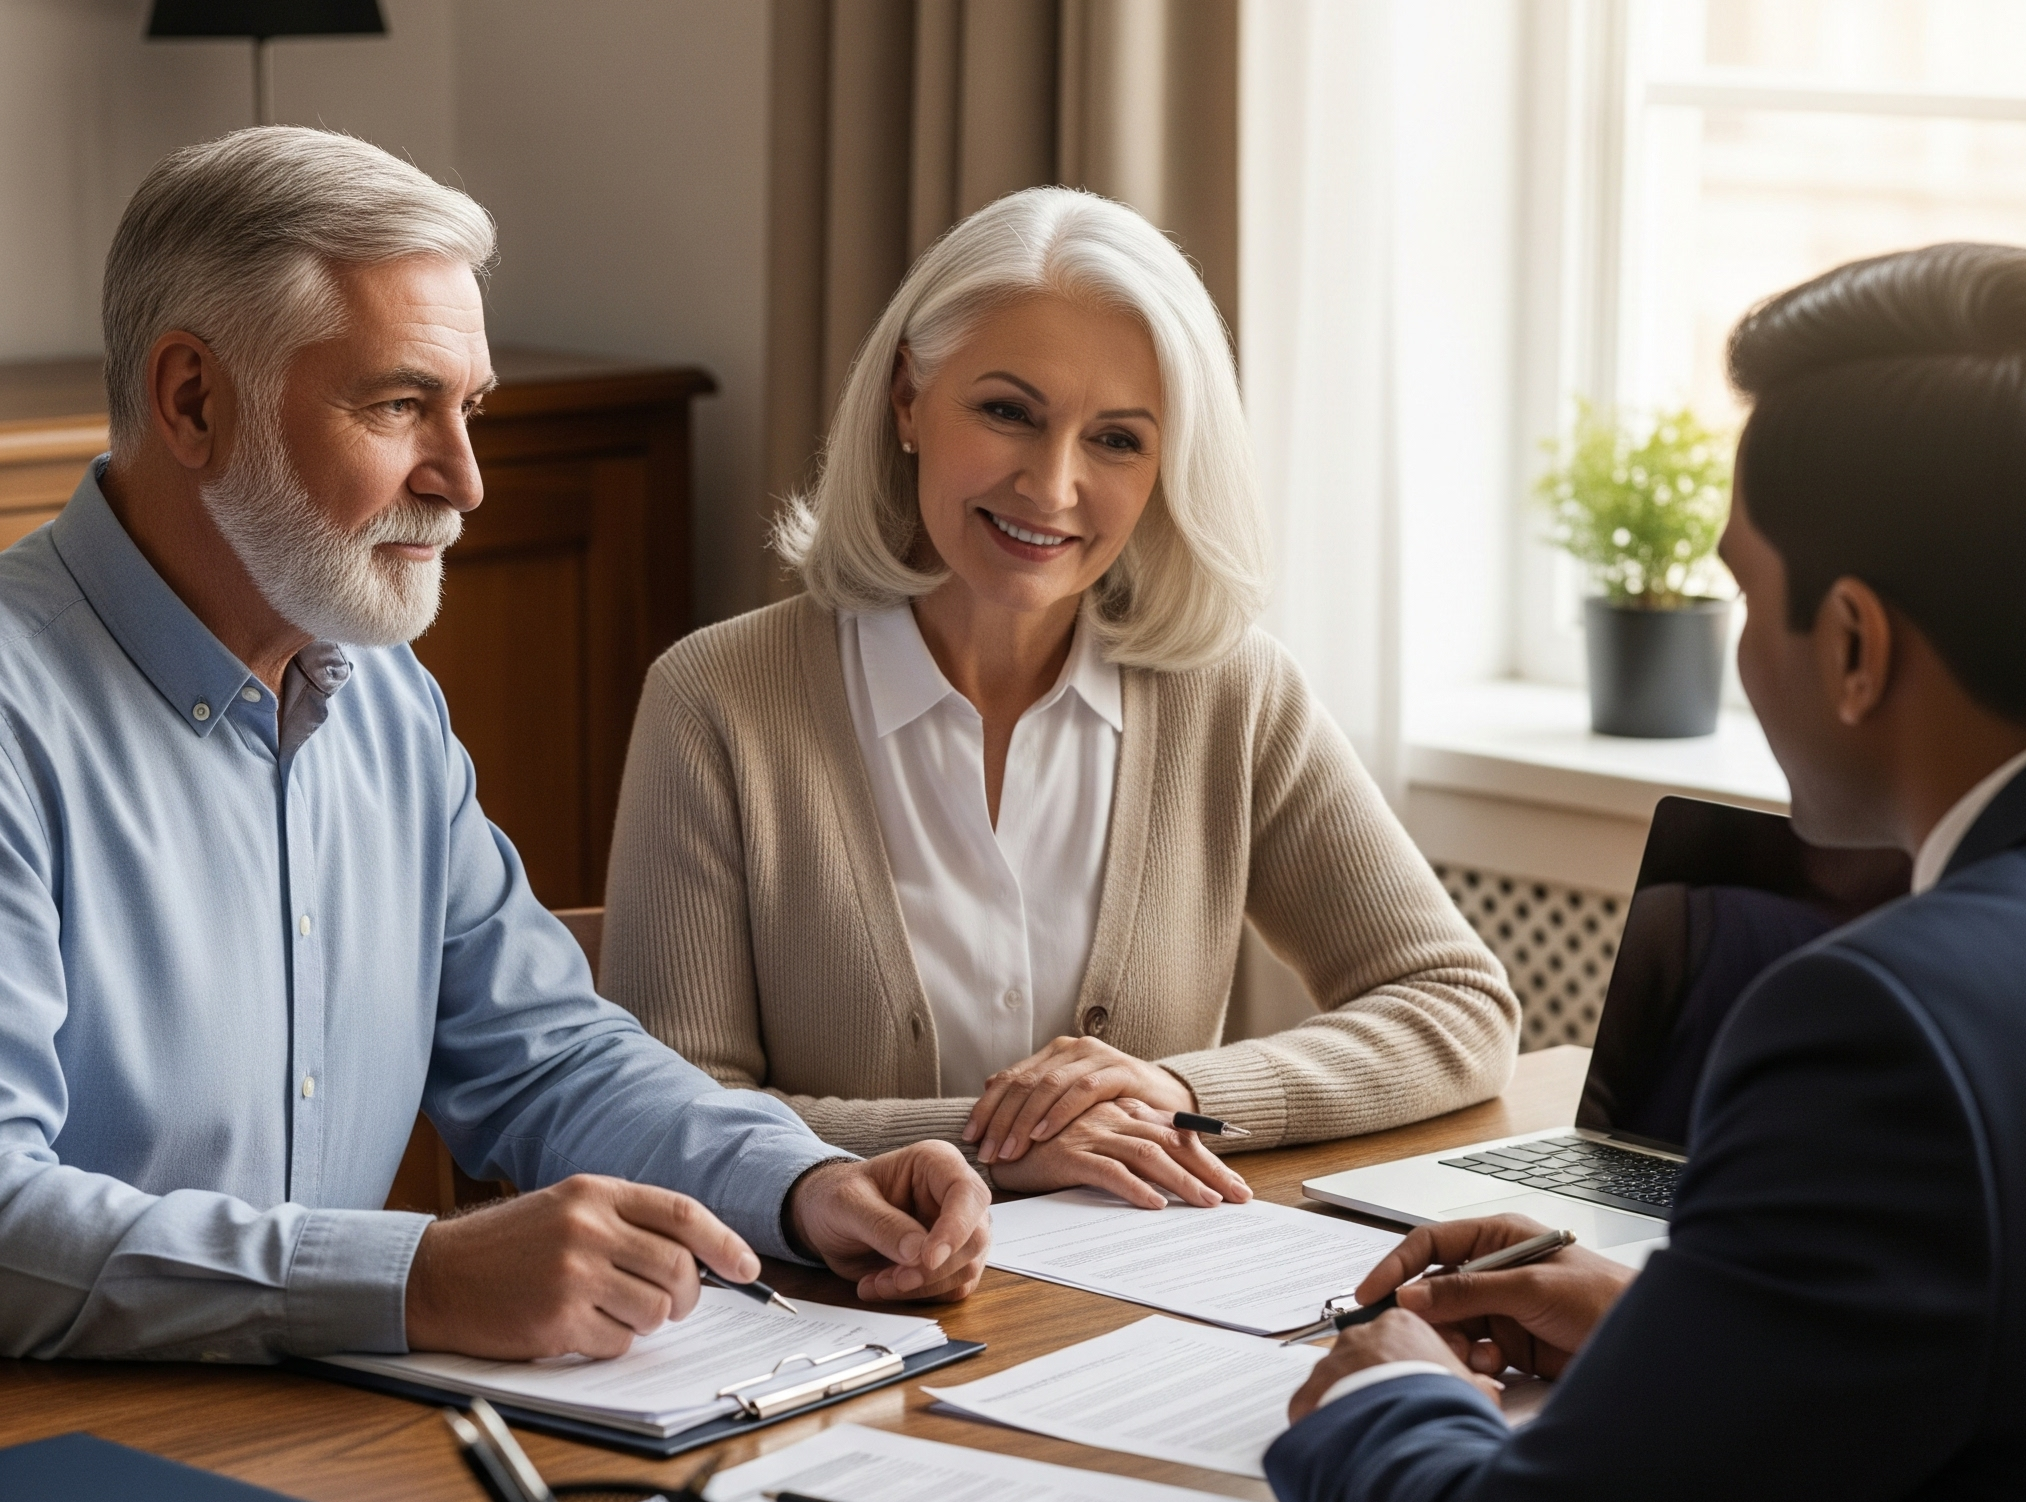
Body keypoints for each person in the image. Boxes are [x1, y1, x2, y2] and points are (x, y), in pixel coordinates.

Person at [1265, 243, 2026, 1502]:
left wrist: (1387, 1387)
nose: (1733, 647)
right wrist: (1674, 1336)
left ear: (1848, 641)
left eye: (1733, 586)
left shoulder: (1885, 1030)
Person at [0, 127, 990, 1365]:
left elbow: (543, 1058)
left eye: (466, 408)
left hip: (331, 1436)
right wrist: (413, 1276)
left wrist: (799, 1184)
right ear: (192, 400)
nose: (466, 480)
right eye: (398, 403)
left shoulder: (384, 700)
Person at [600, 189, 1518, 1209]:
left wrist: (1174, 1093)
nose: (1051, 484)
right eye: (1007, 412)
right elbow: (668, 1113)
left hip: (1142, 1315)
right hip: (834, 1320)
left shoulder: (1232, 691)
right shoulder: (717, 700)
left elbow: (1456, 1004)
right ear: (907, 397)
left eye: (1117, 439)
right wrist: (997, 1143)